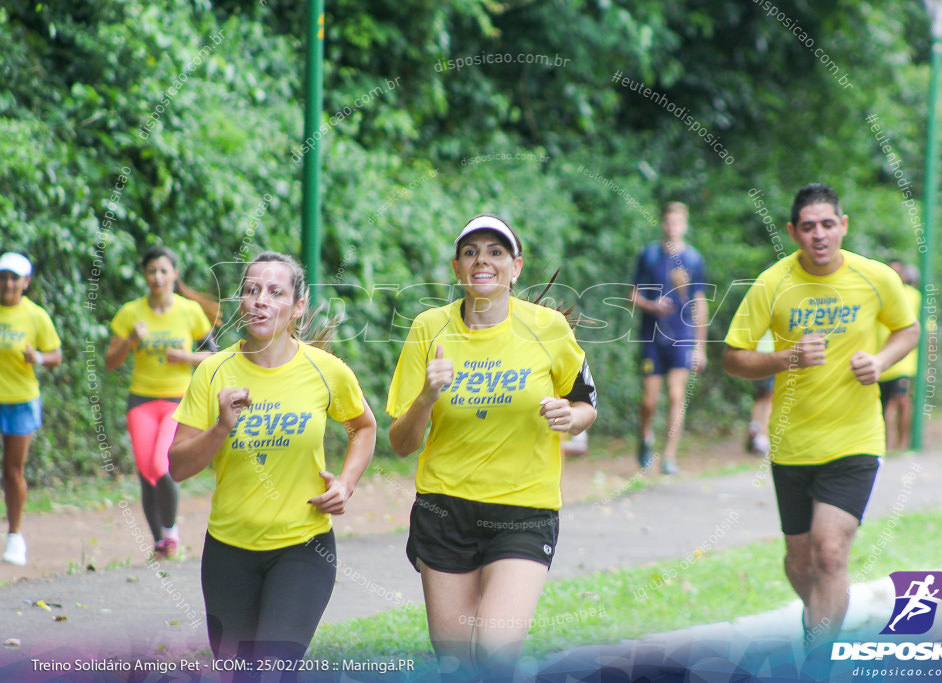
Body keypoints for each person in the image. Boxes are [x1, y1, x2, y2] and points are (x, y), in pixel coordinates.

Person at [387, 215, 597, 680]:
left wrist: (570, 417)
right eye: (471, 251)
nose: (483, 259)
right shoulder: (428, 328)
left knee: (496, 653)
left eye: (496, 251)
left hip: (524, 510)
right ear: (457, 268)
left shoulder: (549, 328)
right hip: (444, 509)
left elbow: (586, 405)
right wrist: (426, 397)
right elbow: (401, 443)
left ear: (516, 267)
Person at [722, 184, 920, 647]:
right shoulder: (772, 284)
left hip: (855, 439)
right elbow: (734, 358)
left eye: (828, 224)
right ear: (793, 232)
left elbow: (907, 330)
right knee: (801, 562)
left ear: (843, 226)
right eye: (808, 227)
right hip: (793, 443)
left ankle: (821, 658)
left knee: (830, 553)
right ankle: (821, 622)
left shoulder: (876, 278)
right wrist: (785, 358)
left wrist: (881, 361)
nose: (819, 235)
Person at [168, 252, 376, 669]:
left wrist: (346, 483)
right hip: (229, 551)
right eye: (251, 289)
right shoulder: (212, 371)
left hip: (304, 549)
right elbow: (177, 466)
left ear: (298, 307)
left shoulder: (326, 371)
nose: (260, 300)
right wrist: (221, 427)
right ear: (241, 302)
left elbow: (364, 427)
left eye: (275, 292)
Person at [106, 246, 219, 559]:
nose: (157, 277)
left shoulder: (188, 311)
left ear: (174, 274)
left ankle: (170, 533)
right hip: (141, 400)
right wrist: (130, 341)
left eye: (163, 271)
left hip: (177, 400)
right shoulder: (131, 312)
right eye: (151, 271)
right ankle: (160, 543)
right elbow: (110, 362)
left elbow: (213, 355)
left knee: (162, 465)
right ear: (144, 275)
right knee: (145, 471)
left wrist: (184, 357)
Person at [632, 202, 707, 474]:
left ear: (684, 226)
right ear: (663, 224)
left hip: (682, 336)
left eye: (678, 222)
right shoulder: (649, 255)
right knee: (649, 401)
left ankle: (669, 457)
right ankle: (644, 437)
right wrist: (652, 305)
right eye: (668, 222)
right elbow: (632, 295)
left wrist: (700, 346)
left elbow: (699, 302)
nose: (673, 227)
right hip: (652, 335)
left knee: (676, 395)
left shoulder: (694, 259)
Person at [0, 252, 61, 566]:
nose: (8, 283)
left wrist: (35, 357)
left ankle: (15, 536)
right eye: (4, 277)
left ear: (25, 282)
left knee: (12, 470)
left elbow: (56, 356)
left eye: (14, 278)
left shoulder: (36, 316)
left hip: (21, 400)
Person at [877, 262, 921, 452]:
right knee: (884, 407)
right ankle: (887, 445)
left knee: (900, 401)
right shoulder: (876, 295)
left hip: (904, 362)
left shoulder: (912, 295)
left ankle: (902, 444)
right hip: (881, 361)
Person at [747, 332, 775, 456]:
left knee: (761, 396)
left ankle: (754, 427)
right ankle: (763, 438)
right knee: (770, 397)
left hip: (756, 355)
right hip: (771, 354)